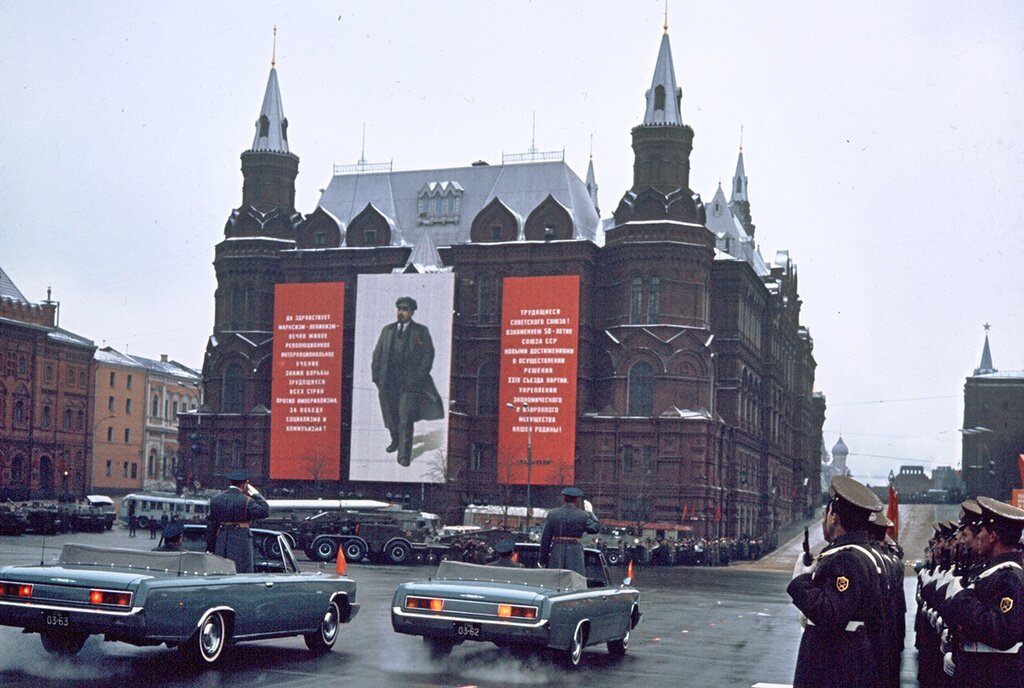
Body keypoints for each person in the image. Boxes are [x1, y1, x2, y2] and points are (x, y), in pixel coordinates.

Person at [787, 475, 885, 688]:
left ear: (833, 517)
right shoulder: (854, 554)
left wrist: (800, 583)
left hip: (834, 667)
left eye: (826, 514)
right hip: (841, 663)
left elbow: (831, 615)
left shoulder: (847, 558)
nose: (823, 520)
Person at [941, 496, 1024, 688]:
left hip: (993, 675)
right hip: (980, 670)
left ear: (993, 536)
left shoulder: (1009, 577)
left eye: (983, 530)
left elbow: (1003, 631)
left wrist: (963, 599)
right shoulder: (993, 573)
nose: (978, 536)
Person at [370, 296, 445, 467]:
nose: (401, 313)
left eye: (405, 310)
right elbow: (377, 354)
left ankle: (404, 455)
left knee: (405, 418)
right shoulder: (387, 330)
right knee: (390, 416)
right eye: (399, 309)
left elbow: (428, 356)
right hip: (387, 383)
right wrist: (376, 377)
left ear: (412, 312)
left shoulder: (421, 331)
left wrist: (417, 379)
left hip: (409, 384)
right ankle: (395, 441)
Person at [205, 468, 270, 573]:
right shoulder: (247, 501)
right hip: (241, 543)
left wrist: (210, 547)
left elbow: (211, 527)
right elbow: (265, 511)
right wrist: (255, 494)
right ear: (244, 484)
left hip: (221, 543)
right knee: (242, 573)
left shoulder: (216, 499)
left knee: (220, 573)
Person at [539, 487, 600, 576]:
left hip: (557, 551)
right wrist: (590, 512)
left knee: (555, 579)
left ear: (564, 498)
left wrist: (542, 560)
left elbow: (546, 539)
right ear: (577, 500)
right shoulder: (583, 515)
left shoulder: (553, 514)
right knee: (575, 579)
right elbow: (596, 528)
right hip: (575, 552)